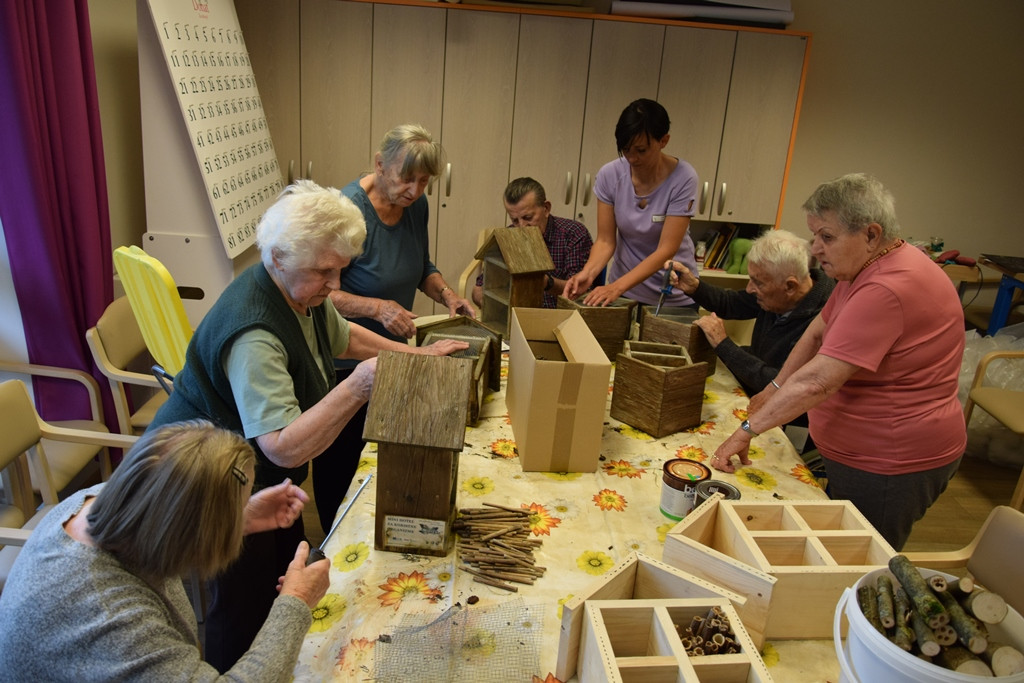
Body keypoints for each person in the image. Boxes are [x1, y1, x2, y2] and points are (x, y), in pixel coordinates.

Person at [146, 179, 466, 671]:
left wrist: (414, 355)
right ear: (277, 257)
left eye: (340, 270)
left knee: (282, 581)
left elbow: (347, 338)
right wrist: (358, 387)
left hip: (255, 475)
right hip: (203, 481)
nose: (335, 285)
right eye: (324, 272)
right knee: (241, 605)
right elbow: (282, 448)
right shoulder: (254, 330)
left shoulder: (301, 291)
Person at [711, 173, 966, 550]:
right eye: (814, 236)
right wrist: (775, 387)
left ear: (870, 234)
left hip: (892, 461)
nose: (815, 249)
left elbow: (819, 381)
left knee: (860, 560)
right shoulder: (863, 267)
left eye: (826, 237)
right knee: (838, 545)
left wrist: (746, 431)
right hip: (865, 452)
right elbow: (818, 330)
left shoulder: (885, 287)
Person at [0, 421, 329, 682]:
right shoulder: (110, 619)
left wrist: (235, 519)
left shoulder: (106, 502)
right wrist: (295, 603)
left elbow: (165, 525)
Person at [325, 124, 474, 529]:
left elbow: (421, 266)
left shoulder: (415, 207)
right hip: (344, 362)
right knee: (342, 469)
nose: (415, 190)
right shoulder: (345, 211)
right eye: (407, 178)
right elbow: (325, 295)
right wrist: (376, 307)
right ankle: (334, 545)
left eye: (424, 181)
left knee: (383, 462)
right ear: (379, 164)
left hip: (395, 356)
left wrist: (447, 295)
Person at [564, 98, 699, 308]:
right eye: (626, 150)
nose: (632, 158)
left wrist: (617, 287)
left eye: (641, 150)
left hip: (672, 296)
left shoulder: (683, 177)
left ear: (663, 141)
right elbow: (606, 241)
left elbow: (666, 250)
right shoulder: (610, 174)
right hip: (624, 294)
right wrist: (588, 274)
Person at [666, 229, 835, 395]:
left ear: (790, 286)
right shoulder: (779, 292)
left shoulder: (823, 322)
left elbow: (776, 384)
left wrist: (723, 344)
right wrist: (695, 287)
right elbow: (731, 303)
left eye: (758, 283)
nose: (749, 289)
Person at [472, 177, 593, 308]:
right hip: (519, 318)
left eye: (528, 218)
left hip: (562, 319)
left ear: (546, 208)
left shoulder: (573, 234)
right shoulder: (509, 237)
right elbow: (478, 290)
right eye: (515, 220)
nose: (522, 227)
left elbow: (579, 292)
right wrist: (492, 305)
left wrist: (546, 283)